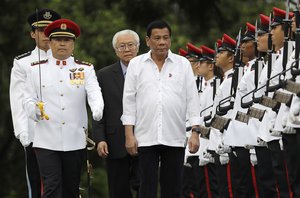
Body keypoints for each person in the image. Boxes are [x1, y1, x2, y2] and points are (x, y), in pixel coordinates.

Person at [23, 18, 104, 198]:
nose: (62, 44)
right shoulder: (36, 69)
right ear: (50, 43)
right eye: (57, 40)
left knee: (71, 188)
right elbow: (27, 99)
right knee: (51, 187)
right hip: (45, 139)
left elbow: (94, 92)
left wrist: (97, 107)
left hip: (74, 138)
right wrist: (34, 110)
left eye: (67, 40)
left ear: (73, 44)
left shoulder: (85, 69)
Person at [122, 20, 201, 198]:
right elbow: (128, 101)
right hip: (145, 136)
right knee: (146, 188)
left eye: (165, 38)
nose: (162, 42)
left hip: (174, 136)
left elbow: (193, 100)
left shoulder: (182, 64)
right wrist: (129, 134)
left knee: (173, 188)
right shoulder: (136, 64)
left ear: (170, 40)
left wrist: (195, 132)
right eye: (157, 38)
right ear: (148, 40)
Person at [9, 9, 61, 198]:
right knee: (38, 184)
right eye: (41, 30)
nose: (46, 34)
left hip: (64, 132)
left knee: (67, 184)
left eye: (50, 30)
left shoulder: (68, 61)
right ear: (33, 33)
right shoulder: (23, 63)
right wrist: (23, 132)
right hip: (36, 133)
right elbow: (18, 99)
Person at [92, 29, 140, 198]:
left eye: (130, 45)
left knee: (145, 188)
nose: (127, 49)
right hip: (114, 142)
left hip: (145, 139)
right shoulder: (103, 75)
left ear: (138, 47)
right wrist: (100, 139)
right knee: (118, 190)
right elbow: (98, 110)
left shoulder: (150, 72)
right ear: (115, 50)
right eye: (122, 46)